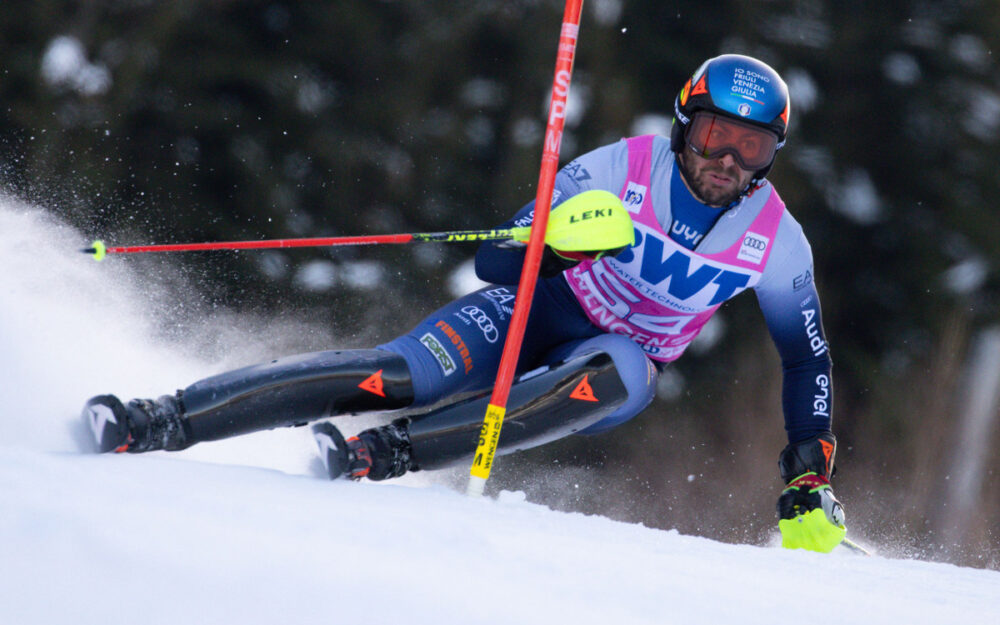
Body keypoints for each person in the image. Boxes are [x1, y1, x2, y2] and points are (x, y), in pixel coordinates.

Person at [83, 54, 847, 553]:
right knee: (396, 375)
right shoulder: (618, 168)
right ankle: (160, 419)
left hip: (616, 362)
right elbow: (494, 258)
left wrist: (807, 466)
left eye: (751, 148)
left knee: (614, 371)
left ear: (770, 156)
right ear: (686, 124)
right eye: (716, 134)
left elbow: (804, 353)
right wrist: (550, 248)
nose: (726, 160)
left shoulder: (777, 241)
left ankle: (382, 455)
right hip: (536, 310)